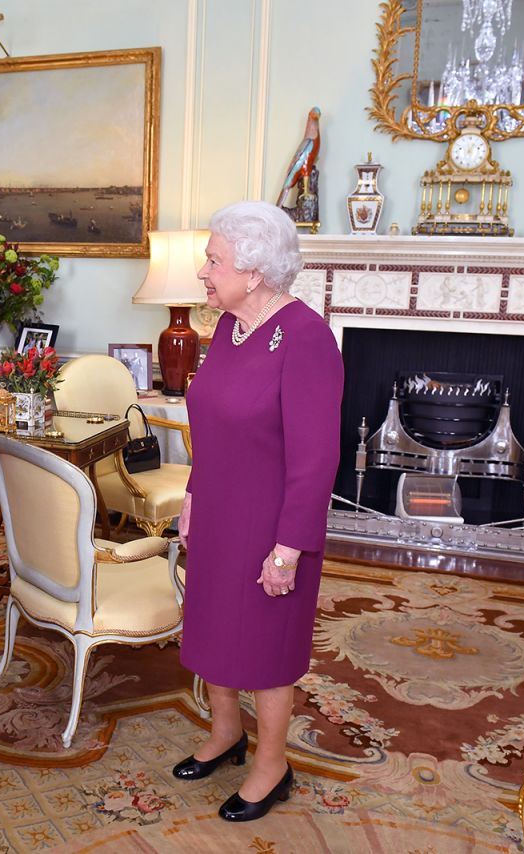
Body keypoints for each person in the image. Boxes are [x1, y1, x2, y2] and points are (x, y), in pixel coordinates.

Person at [172, 201, 342, 822]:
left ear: (256, 272)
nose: (203, 271)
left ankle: (273, 763)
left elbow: (316, 459)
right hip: (218, 511)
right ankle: (226, 734)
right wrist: (193, 494)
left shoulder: (306, 338)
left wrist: (290, 546)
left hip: (273, 525)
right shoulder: (229, 327)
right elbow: (211, 424)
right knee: (212, 627)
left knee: (268, 647)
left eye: (214, 260)